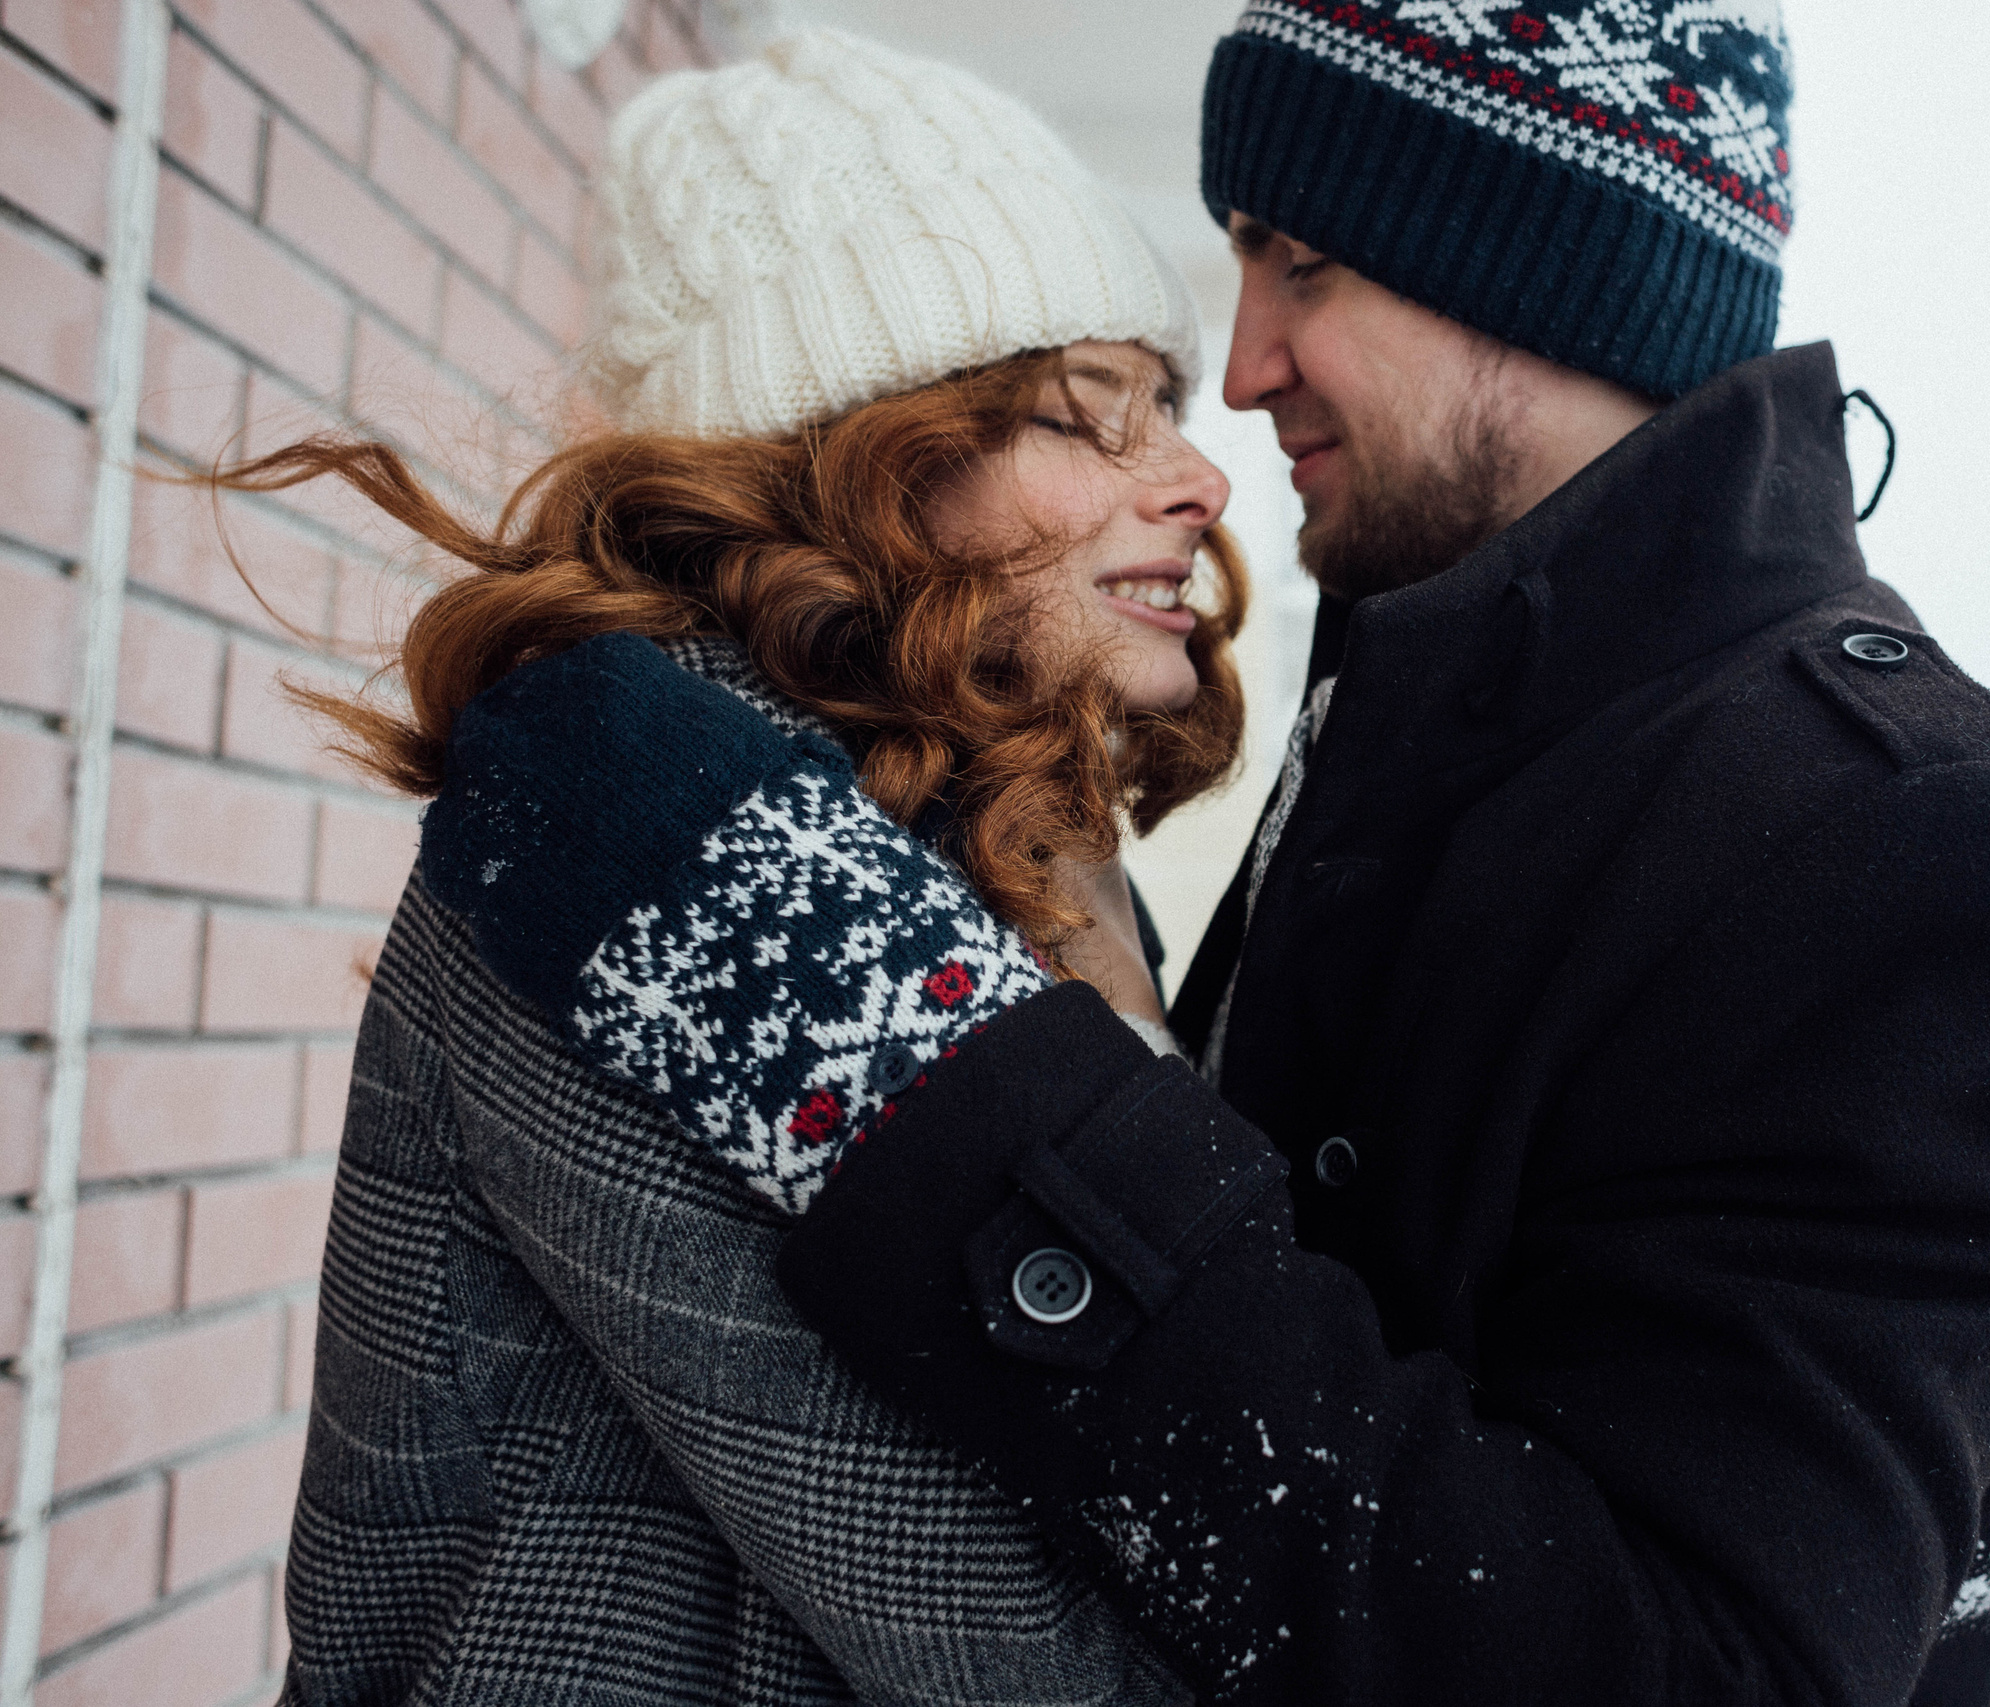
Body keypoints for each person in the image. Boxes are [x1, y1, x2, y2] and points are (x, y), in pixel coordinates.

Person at [425, 4, 1990, 1704]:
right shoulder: (1427, 702)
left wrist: (949, 1092)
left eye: (1302, 260)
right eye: (1087, 403)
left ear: (1513, 244)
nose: (1247, 372)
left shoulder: (1924, 855)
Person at [242, 33, 1245, 1705]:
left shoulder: (1010, 837)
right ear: (860, 454)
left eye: (1171, 407)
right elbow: (988, 1625)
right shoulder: (639, 836)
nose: (1199, 481)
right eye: (1091, 413)